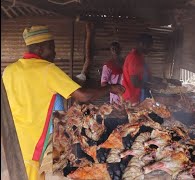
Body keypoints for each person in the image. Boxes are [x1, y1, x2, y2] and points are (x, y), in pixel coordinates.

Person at [2, 25, 125, 180]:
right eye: (51, 47)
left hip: (15, 140)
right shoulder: (47, 69)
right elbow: (83, 96)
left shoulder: (9, 71)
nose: (54, 52)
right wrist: (111, 88)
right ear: (40, 48)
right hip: (40, 143)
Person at [122, 33, 153, 104]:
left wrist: (164, 81)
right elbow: (135, 83)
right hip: (132, 99)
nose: (151, 48)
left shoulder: (140, 57)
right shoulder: (134, 58)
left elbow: (146, 76)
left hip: (137, 96)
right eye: (149, 45)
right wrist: (154, 86)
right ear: (141, 44)